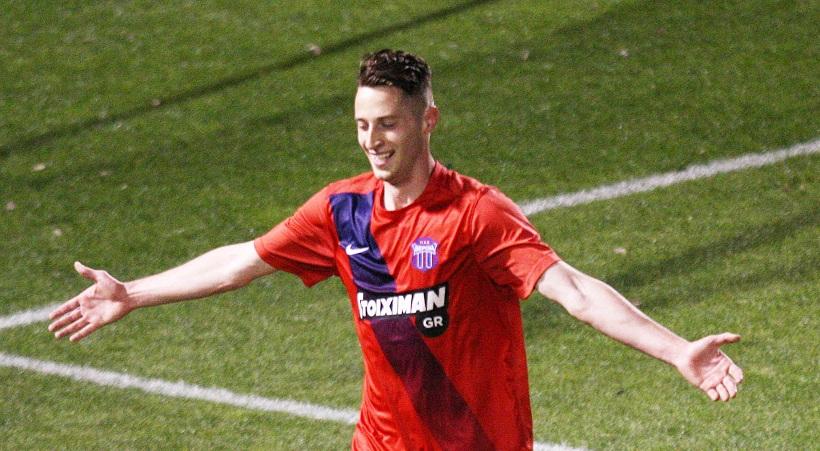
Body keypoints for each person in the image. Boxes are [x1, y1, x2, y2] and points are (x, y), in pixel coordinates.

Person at [49, 49, 743, 450]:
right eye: (361, 125)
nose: (372, 141)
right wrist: (133, 293)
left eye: (387, 125)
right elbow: (242, 261)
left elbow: (576, 291)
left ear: (426, 120)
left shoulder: (475, 213)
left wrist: (675, 350)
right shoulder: (340, 210)